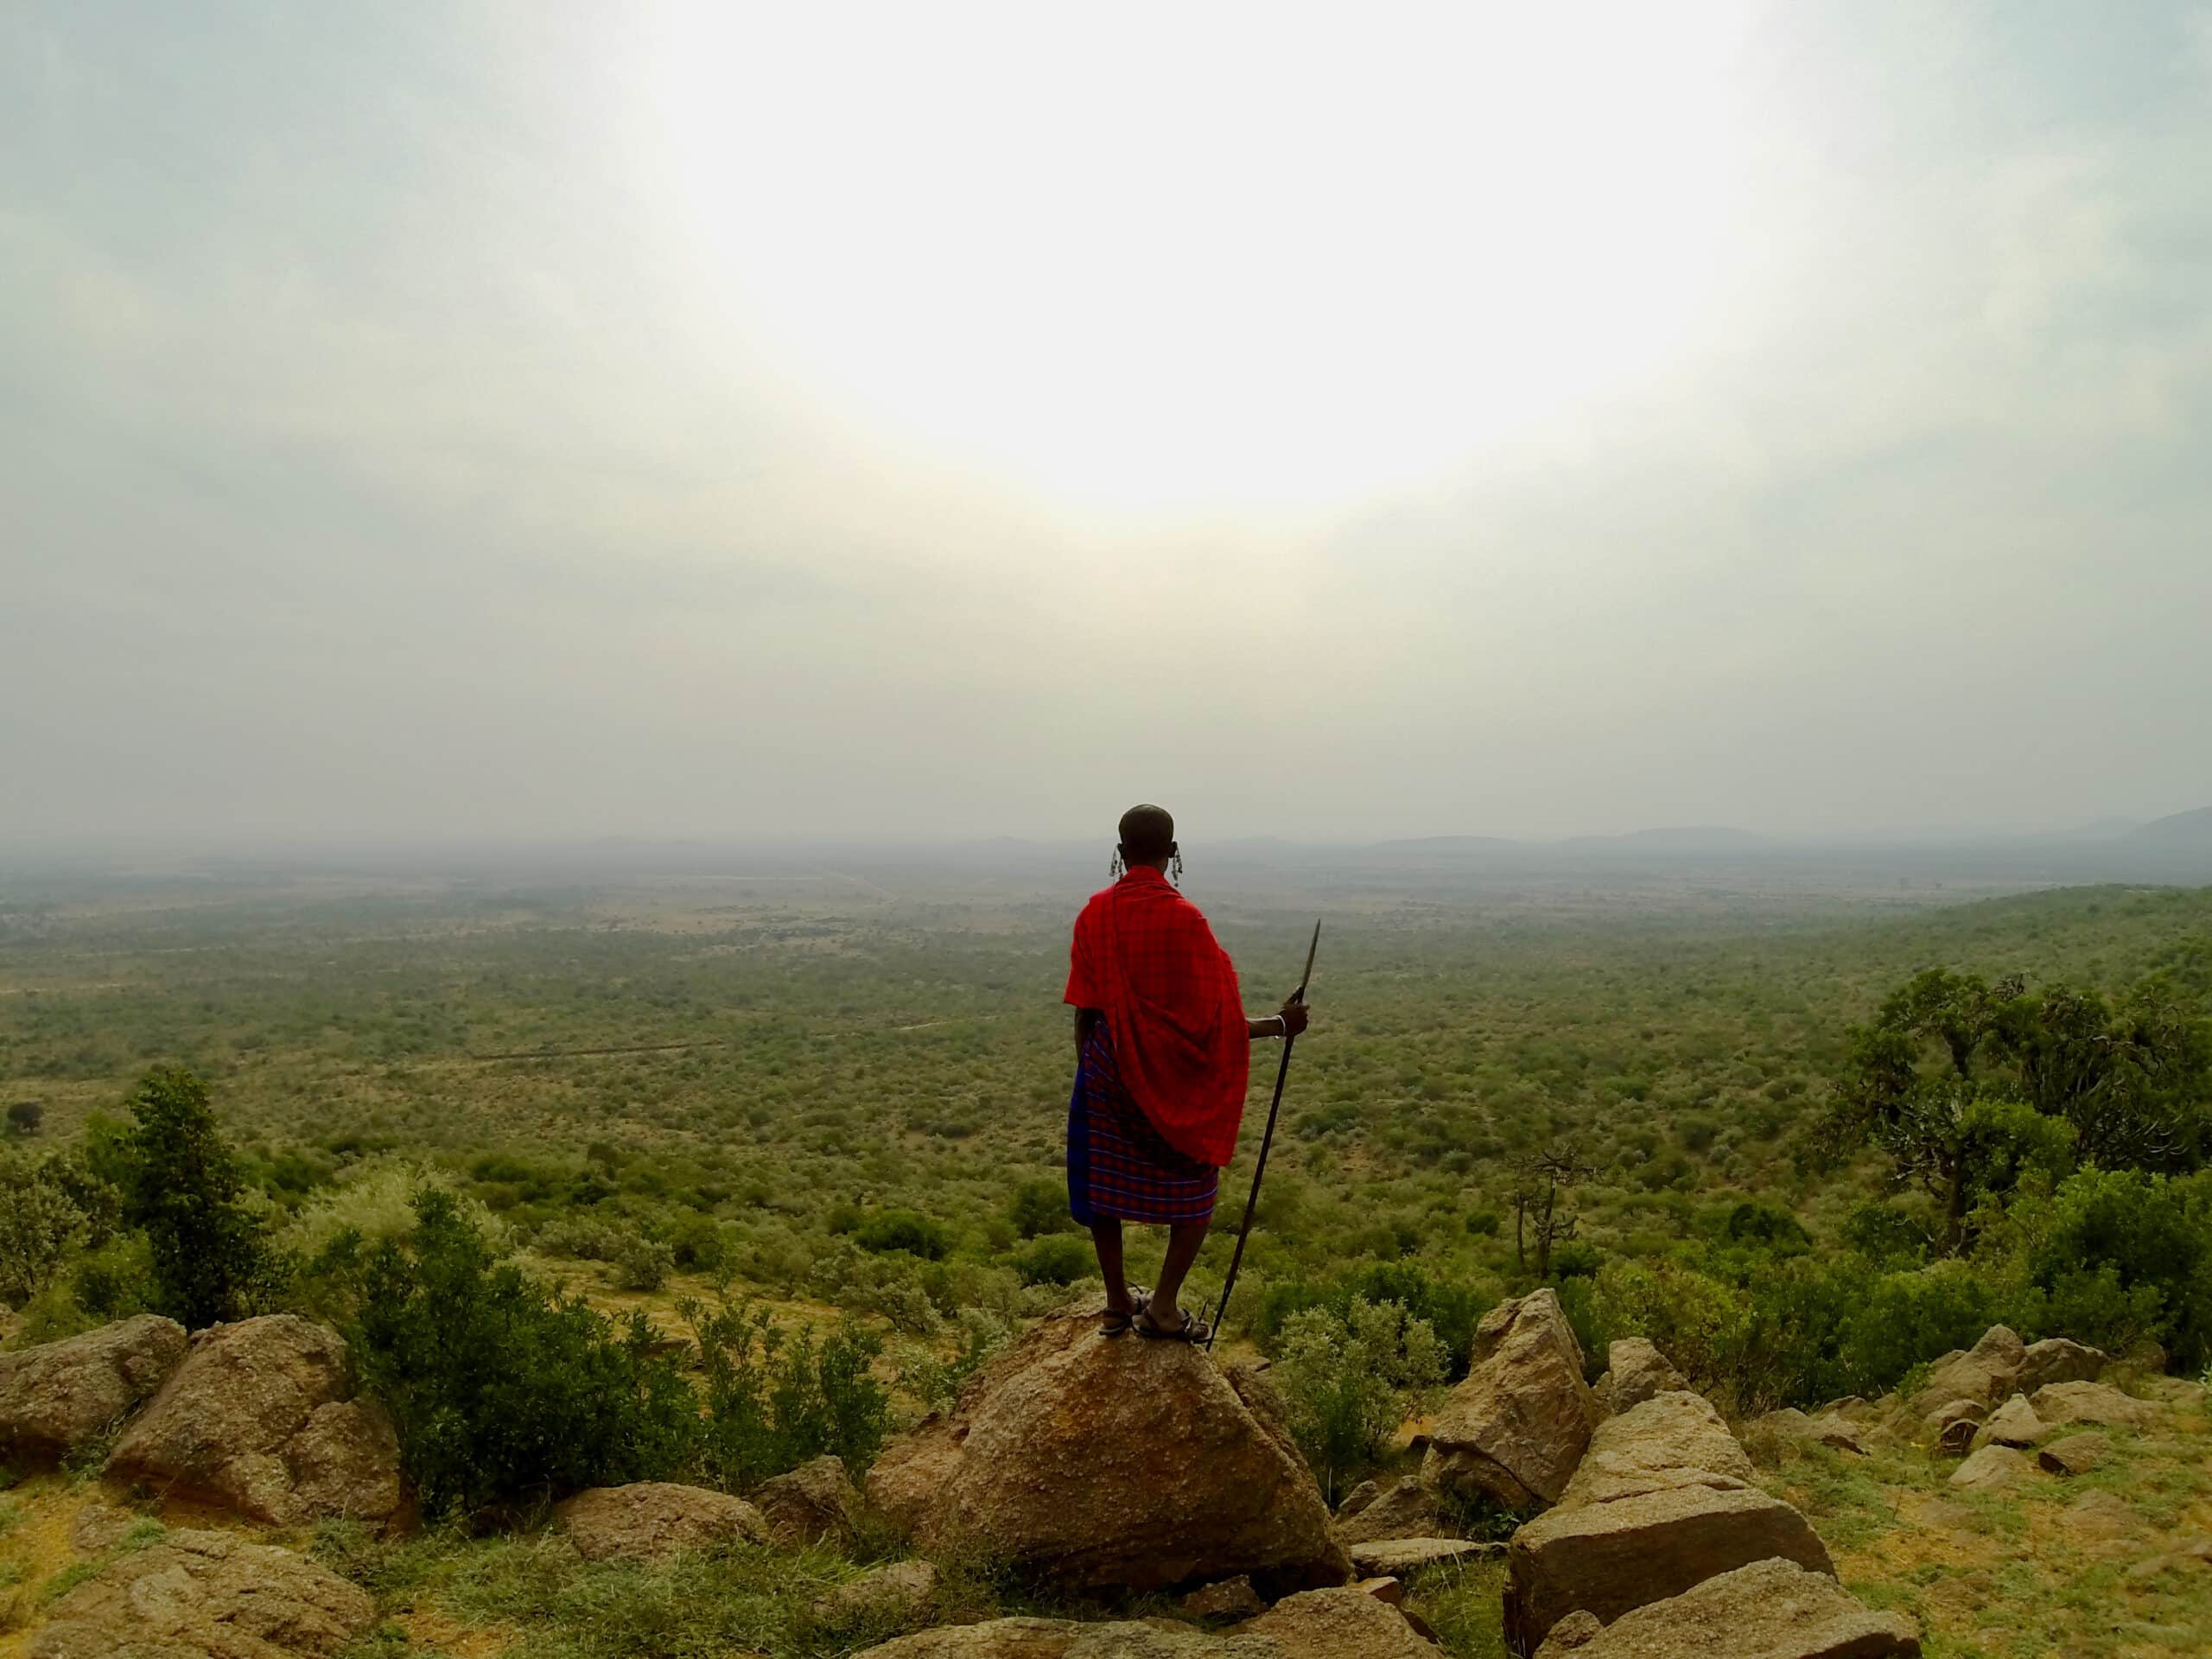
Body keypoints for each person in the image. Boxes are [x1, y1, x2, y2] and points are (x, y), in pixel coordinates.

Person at [1063, 804, 1310, 1341]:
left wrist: (1095, 1076)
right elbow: (1214, 1022)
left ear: (1120, 852)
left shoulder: (1094, 914)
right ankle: (1164, 1308)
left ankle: (1115, 1302)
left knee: (1100, 1187)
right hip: (1171, 1077)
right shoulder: (1186, 920)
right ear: (1172, 853)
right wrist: (1281, 1025)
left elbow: (1085, 1012)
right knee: (1197, 1185)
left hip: (1104, 1071)